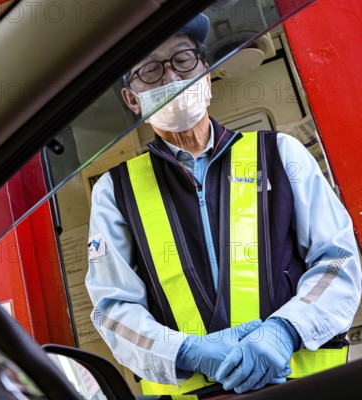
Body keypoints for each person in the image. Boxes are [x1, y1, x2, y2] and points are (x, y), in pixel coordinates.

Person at [85, 13, 361, 396]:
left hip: (300, 384)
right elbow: (114, 310)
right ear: (133, 99)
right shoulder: (115, 191)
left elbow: (338, 261)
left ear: (206, 73)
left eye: (183, 59)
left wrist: (285, 331)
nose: (172, 77)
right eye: (150, 70)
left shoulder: (280, 153)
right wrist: (189, 352)